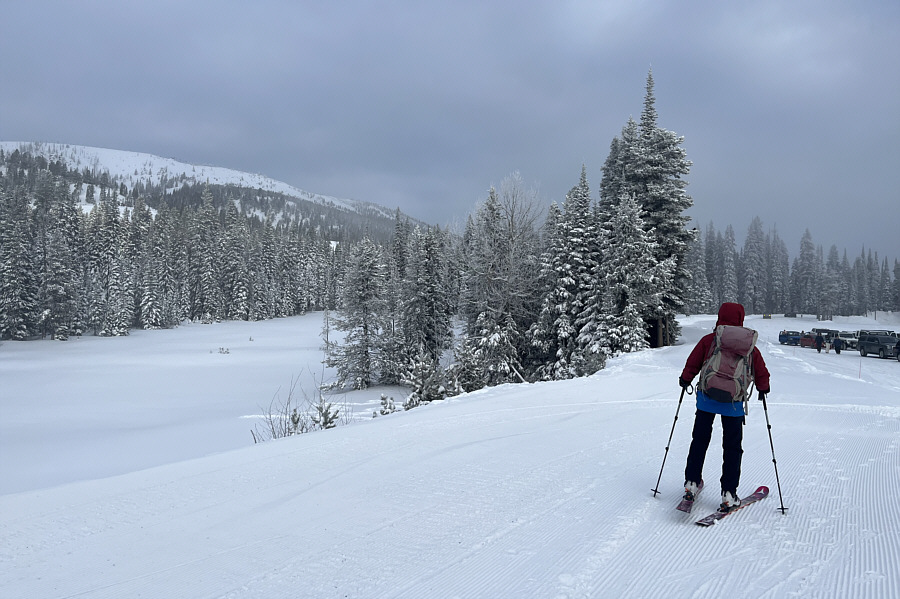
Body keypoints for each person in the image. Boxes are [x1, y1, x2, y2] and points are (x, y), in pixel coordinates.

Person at [679, 302, 770, 513]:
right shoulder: (748, 345)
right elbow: (760, 370)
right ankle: (728, 494)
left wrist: (685, 379)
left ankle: (691, 483)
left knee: (699, 440)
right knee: (732, 448)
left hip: (706, 399)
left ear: (719, 316)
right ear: (741, 318)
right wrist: (763, 389)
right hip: (734, 404)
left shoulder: (710, 340)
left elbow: (693, 362)